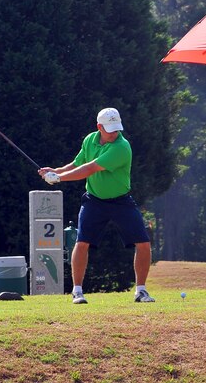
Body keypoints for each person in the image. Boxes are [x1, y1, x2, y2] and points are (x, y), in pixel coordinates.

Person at [38, 107, 156, 305]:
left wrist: (58, 178)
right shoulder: (90, 140)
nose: (114, 132)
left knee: (143, 243)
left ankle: (141, 291)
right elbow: (78, 163)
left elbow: (90, 168)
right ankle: (77, 291)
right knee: (82, 242)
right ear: (99, 127)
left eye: (116, 128)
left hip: (121, 201)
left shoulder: (121, 147)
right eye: (110, 129)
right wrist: (57, 170)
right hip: (94, 200)